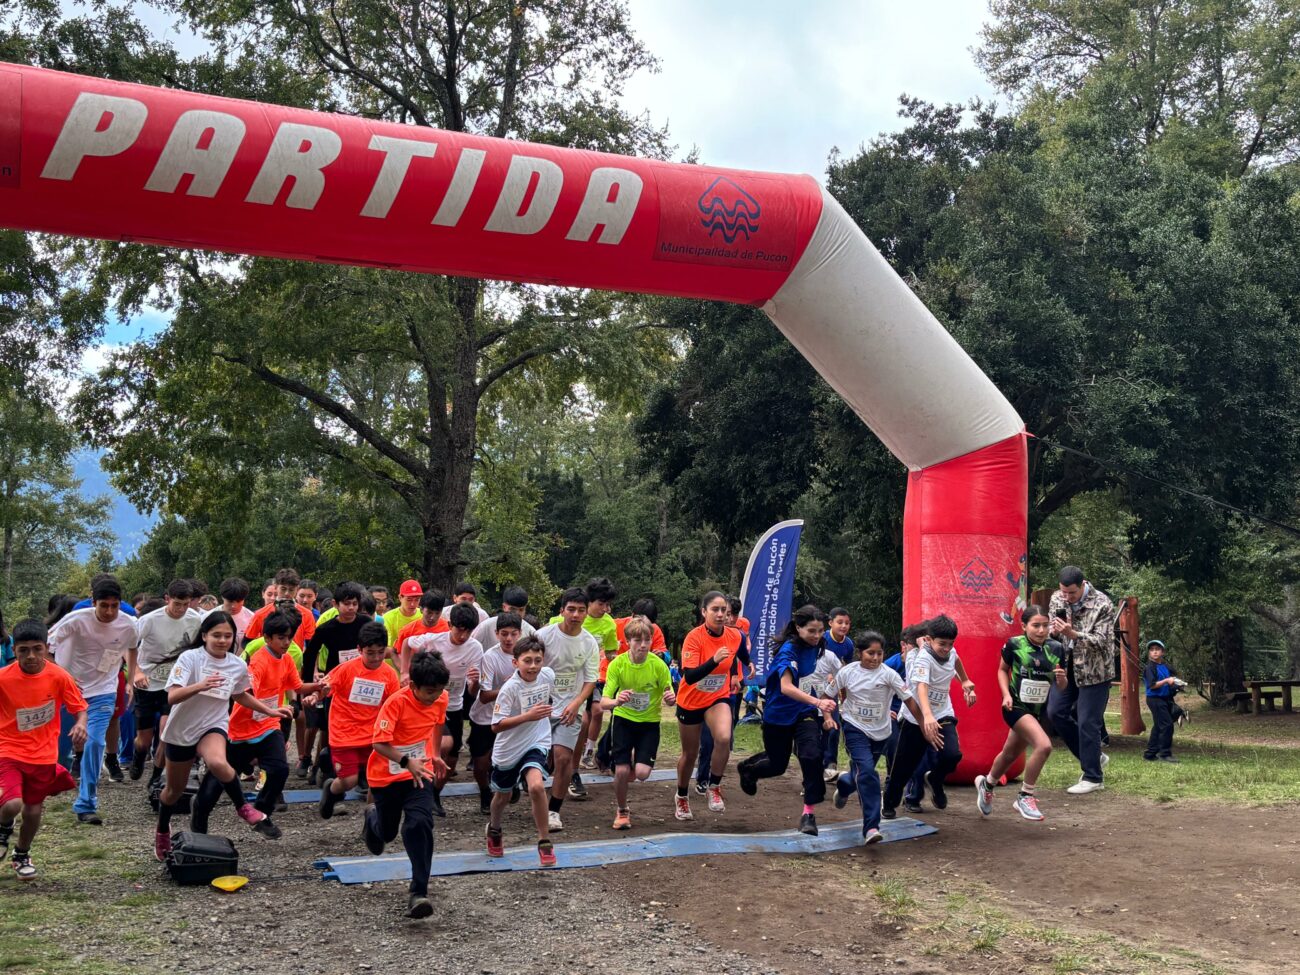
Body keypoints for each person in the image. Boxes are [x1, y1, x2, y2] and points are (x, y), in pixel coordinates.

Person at [154, 612, 289, 861]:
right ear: (204, 635)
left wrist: (270, 710)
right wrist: (200, 685)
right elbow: (172, 697)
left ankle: (244, 808)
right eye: (216, 635)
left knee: (218, 762)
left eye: (228, 636)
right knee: (174, 791)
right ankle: (162, 828)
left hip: (213, 724)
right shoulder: (190, 658)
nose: (222, 640)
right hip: (182, 729)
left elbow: (240, 695)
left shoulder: (236, 664)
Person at [194, 611, 322, 838]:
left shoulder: (287, 659)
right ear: (266, 637)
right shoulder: (259, 662)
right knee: (218, 780)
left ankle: (261, 812)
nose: (286, 643)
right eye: (281, 638)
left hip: (268, 726)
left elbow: (298, 686)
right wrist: (270, 709)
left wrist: (320, 686)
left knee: (279, 769)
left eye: (289, 638)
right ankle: (199, 818)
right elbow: (244, 694)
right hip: (241, 731)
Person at [361, 648, 450, 919]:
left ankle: (418, 892)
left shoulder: (441, 697)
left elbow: (437, 724)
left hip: (418, 773)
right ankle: (372, 818)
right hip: (386, 776)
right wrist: (405, 761)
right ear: (413, 685)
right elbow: (378, 743)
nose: (434, 697)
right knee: (387, 833)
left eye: (438, 691)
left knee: (420, 824)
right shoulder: (396, 703)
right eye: (429, 692)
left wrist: (433, 754)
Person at [0, 619, 88, 879]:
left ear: (46, 648)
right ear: (13, 650)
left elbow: (79, 707)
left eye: (37, 649)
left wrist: (81, 725)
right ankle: (4, 828)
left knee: (33, 810)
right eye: (23, 650)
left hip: (44, 754)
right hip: (8, 750)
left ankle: (21, 853)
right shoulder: (4, 678)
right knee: (12, 803)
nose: (31, 656)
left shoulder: (58, 676)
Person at [737, 605, 837, 835]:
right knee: (777, 765)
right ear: (798, 628)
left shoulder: (818, 646)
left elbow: (812, 679)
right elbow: (786, 687)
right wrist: (818, 703)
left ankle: (808, 814)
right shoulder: (788, 650)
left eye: (821, 630)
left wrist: (821, 707)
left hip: (804, 713)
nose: (817, 636)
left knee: (812, 755)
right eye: (812, 630)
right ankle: (748, 769)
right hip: (779, 715)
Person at [49, 576, 138, 825]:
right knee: (57, 746)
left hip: (103, 691)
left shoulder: (129, 623)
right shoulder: (75, 620)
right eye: (104, 605)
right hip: (68, 690)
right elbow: (46, 647)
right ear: (93, 602)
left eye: (114, 605)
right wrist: (62, 676)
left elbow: (132, 647)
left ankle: (86, 803)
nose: (109, 611)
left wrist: (132, 677)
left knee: (96, 742)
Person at [830, 630, 934, 843]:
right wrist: (826, 715)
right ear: (860, 653)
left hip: (881, 733)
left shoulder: (889, 674)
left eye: (879, 653)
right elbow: (826, 696)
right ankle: (871, 827)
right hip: (854, 728)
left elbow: (909, 700)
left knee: (859, 774)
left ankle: (844, 784)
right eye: (870, 653)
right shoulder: (847, 672)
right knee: (868, 773)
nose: (875, 658)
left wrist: (923, 723)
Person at [974, 606, 1067, 822]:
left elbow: (1062, 685)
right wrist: (1005, 694)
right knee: (1044, 746)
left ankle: (987, 784)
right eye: (1036, 625)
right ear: (1024, 626)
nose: (1041, 630)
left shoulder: (1057, 649)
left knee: (1009, 754)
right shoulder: (1014, 644)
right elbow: (1001, 670)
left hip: (1037, 711)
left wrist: (1062, 679)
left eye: (1045, 625)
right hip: (1014, 706)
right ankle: (1026, 795)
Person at [882, 614, 975, 819]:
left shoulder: (950, 652)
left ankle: (935, 779)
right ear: (929, 640)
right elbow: (921, 687)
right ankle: (889, 802)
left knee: (952, 755)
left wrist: (966, 682)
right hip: (916, 718)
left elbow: (956, 659)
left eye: (950, 644)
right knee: (903, 768)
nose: (946, 648)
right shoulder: (922, 657)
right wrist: (926, 718)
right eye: (942, 643)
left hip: (942, 713)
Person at [404, 604, 484, 810]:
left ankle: (434, 794)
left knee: (452, 759)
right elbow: (406, 643)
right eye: (459, 629)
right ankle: (415, 785)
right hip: (429, 703)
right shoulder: (434, 640)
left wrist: (474, 683)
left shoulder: (475, 648)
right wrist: (405, 671)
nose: (464, 635)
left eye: (469, 630)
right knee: (443, 744)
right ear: (450, 625)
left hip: (454, 704)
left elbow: (472, 691)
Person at [486, 634, 557, 866]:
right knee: (502, 796)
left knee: (536, 786)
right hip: (509, 748)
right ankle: (494, 829)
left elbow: (550, 701)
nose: (534, 666)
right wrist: (527, 716)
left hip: (537, 741)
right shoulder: (509, 688)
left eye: (538, 660)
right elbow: (496, 725)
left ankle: (544, 841)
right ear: (515, 662)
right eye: (528, 660)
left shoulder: (547, 676)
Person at [1046, 566, 1117, 795]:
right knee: (1055, 712)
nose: (1067, 597)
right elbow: (1050, 628)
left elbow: (1103, 641)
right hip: (1066, 668)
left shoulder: (1103, 604)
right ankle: (1094, 756)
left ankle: (1093, 777)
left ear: (1083, 584)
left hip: (1095, 670)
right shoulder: (1057, 597)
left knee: (1088, 721)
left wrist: (1073, 634)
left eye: (1072, 594)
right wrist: (1054, 632)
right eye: (1064, 592)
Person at [318, 621, 400, 818]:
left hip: (373, 736)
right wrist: (319, 693)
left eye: (381, 652)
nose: (376, 658)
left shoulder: (389, 674)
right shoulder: (345, 670)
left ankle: (372, 819)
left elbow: (393, 705)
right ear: (359, 650)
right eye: (370, 653)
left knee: (378, 779)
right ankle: (331, 790)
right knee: (349, 781)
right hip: (344, 734)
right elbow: (325, 687)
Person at [600, 616, 675, 830]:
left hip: (649, 723)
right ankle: (622, 811)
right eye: (637, 640)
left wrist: (671, 698)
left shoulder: (659, 666)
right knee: (622, 772)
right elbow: (604, 702)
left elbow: (670, 694)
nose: (643, 645)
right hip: (623, 720)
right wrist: (616, 700)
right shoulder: (618, 665)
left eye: (647, 640)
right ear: (627, 642)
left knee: (642, 774)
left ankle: (634, 757)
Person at [675, 591, 743, 821]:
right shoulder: (693, 638)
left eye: (724, 610)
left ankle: (713, 786)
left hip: (717, 697)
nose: (721, 614)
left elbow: (738, 651)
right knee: (690, 754)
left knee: (723, 738)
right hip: (691, 701)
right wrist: (714, 660)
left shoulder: (734, 636)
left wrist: (746, 665)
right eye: (715, 609)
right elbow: (690, 676)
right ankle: (682, 797)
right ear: (704, 612)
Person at [536, 588, 599, 832]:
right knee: (537, 761)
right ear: (561, 611)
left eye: (581, 610)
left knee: (563, 759)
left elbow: (591, 679)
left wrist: (576, 704)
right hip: (541, 707)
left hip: (570, 708)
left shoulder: (589, 642)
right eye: (571, 609)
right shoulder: (544, 636)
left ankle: (553, 811)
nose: (576, 615)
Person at [127, 579, 201, 785]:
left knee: (166, 731)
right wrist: (137, 673)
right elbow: (129, 647)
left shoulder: (195, 619)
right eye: (177, 603)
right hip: (148, 682)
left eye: (186, 604)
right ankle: (139, 755)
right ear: (167, 599)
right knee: (143, 739)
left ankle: (156, 777)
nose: (181, 609)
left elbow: (198, 649)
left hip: (175, 682)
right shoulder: (149, 620)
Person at [555, 577, 618, 800]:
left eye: (608, 604)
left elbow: (612, 653)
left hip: (590, 680)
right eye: (601, 603)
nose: (605, 609)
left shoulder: (609, 624)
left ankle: (577, 766)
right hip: (557, 683)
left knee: (587, 718)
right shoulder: (557, 622)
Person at [303, 582, 372, 784]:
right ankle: (321, 766)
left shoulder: (365, 624)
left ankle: (361, 770)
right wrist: (309, 686)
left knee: (362, 723)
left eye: (354, 604)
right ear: (335, 604)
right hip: (336, 683)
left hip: (361, 682)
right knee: (329, 726)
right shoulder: (327, 628)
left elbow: (377, 647)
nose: (351, 608)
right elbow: (310, 655)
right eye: (346, 604)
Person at [467, 612, 526, 814]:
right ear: (496, 634)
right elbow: (483, 696)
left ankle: (511, 782)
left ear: (520, 633)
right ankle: (484, 791)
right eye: (504, 634)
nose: (508, 639)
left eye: (513, 634)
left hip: (512, 716)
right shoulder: (490, 656)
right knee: (482, 762)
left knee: (512, 756)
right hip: (485, 716)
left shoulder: (527, 656)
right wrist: (511, 687)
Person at [822, 607, 855, 779]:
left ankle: (830, 765)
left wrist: (846, 696)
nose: (843, 626)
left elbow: (847, 670)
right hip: (814, 690)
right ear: (830, 623)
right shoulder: (822, 638)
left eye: (847, 623)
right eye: (840, 622)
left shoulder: (848, 644)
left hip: (832, 691)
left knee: (834, 727)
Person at [245, 568, 316, 649]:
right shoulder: (261, 614)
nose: (287, 593)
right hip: (268, 658)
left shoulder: (307, 614)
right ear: (276, 587)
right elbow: (247, 641)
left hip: (294, 659)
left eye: (291, 590)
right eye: (283, 589)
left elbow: (311, 645)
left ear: (297, 589)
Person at [1142, 640, 1181, 763]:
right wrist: (1166, 681)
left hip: (1166, 699)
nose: (1154, 652)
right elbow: (1152, 686)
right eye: (1152, 649)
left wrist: (1177, 685)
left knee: (1159, 726)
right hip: (1155, 699)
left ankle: (1150, 754)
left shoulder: (1165, 666)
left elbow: (1172, 680)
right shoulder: (1149, 668)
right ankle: (1165, 754)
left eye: (1157, 649)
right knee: (1167, 725)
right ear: (1149, 653)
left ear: (1162, 652)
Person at [472, 586, 537, 652]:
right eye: (513, 609)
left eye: (521, 610)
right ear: (504, 607)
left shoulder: (530, 632)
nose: (517, 613)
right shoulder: (486, 626)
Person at [395, 590, 448, 666]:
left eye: (437, 613)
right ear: (421, 609)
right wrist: (405, 671)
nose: (433, 617)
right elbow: (398, 653)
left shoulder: (448, 629)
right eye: (429, 612)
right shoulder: (407, 631)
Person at [384, 580, 424, 649]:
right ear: (400, 598)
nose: (413, 604)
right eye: (409, 600)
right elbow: (386, 645)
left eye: (417, 600)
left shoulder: (423, 615)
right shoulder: (388, 617)